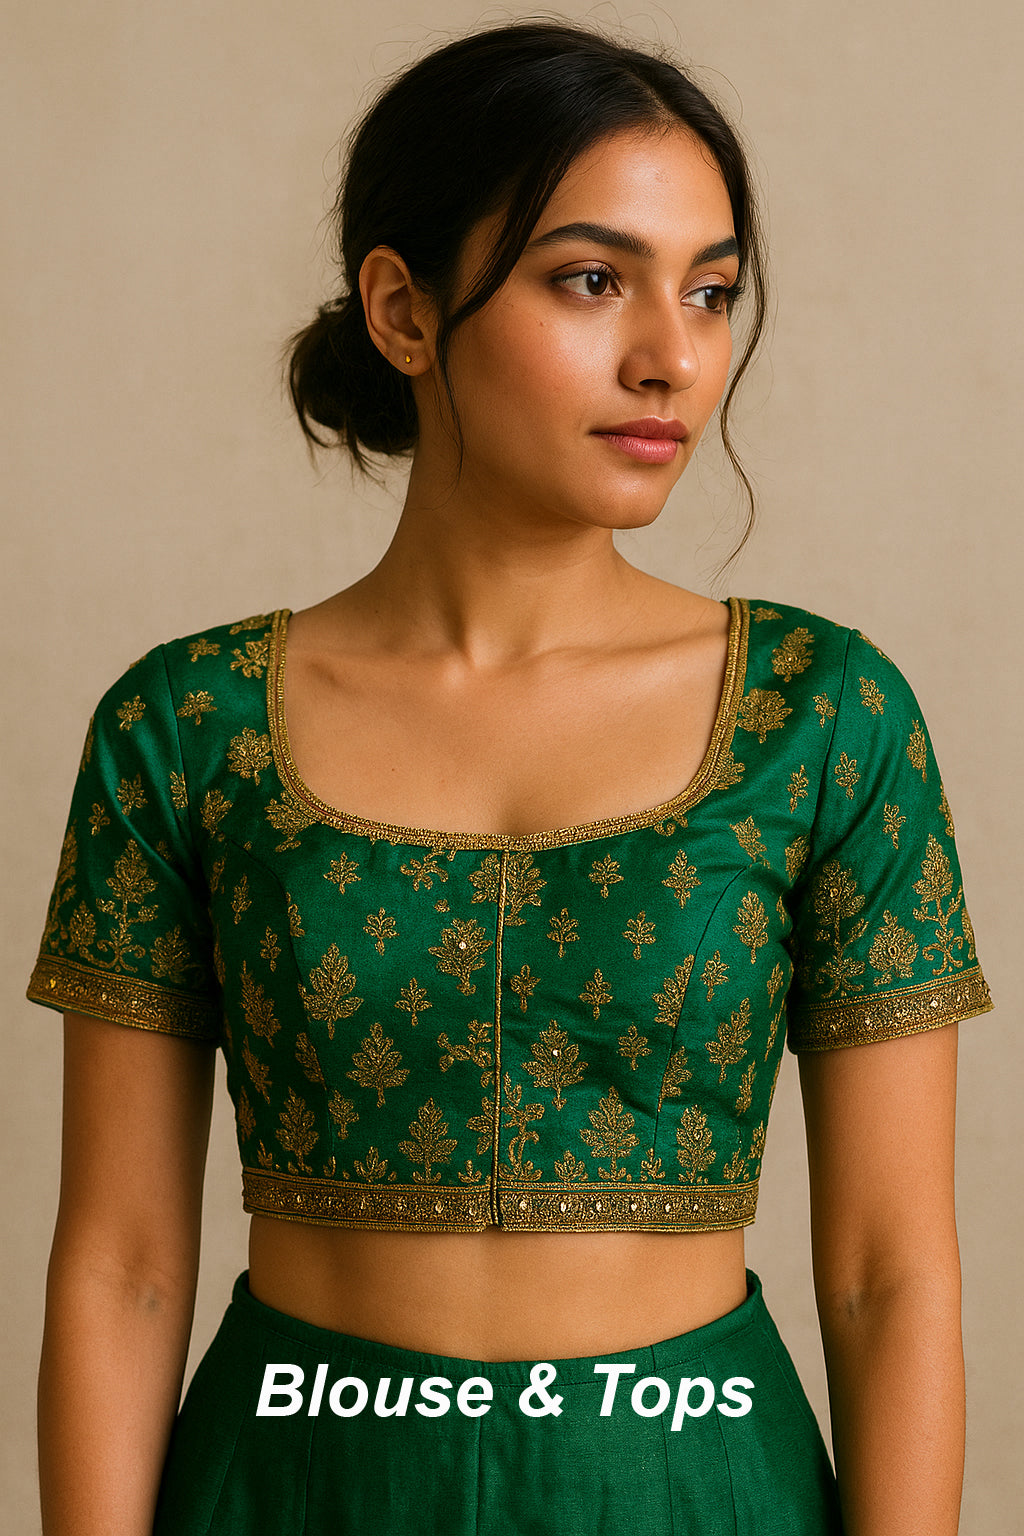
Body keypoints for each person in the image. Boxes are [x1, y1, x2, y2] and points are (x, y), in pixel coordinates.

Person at [28, 19, 993, 1536]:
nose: (672, 353)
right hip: (294, 1478)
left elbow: (889, 1271)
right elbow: (124, 1264)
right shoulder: (189, 726)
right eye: (591, 279)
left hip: (687, 1481)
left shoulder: (824, 717)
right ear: (404, 311)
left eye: (713, 289)